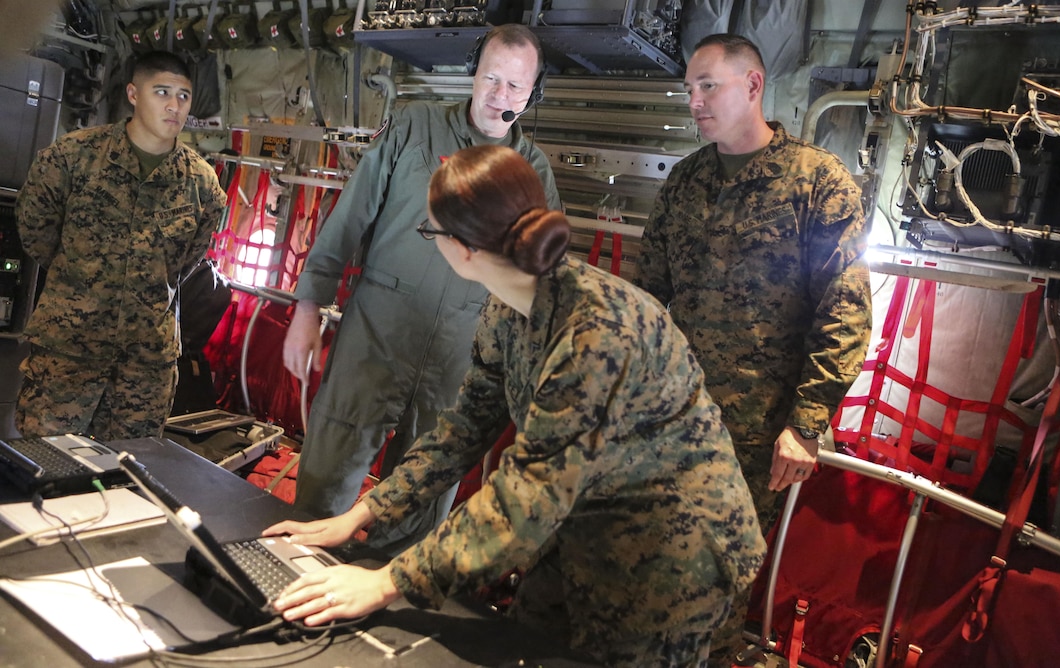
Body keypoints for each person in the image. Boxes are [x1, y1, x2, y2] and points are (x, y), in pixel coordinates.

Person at [264, 144, 766, 667]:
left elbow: (526, 498)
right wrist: (362, 514)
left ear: (463, 247)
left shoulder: (599, 333)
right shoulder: (509, 305)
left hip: (673, 558)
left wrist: (387, 582)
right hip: (581, 531)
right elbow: (463, 429)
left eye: (429, 231)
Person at [631, 33, 872, 660]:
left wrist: (808, 423)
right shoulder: (684, 182)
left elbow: (844, 310)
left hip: (756, 430)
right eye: (689, 89)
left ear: (754, 85)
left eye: (708, 85)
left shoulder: (819, 181)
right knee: (645, 561)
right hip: (672, 416)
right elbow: (649, 298)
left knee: (715, 579)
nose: (695, 101)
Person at [282, 24, 561, 549]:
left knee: (420, 501)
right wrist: (306, 307)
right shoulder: (415, 124)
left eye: (515, 87)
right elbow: (349, 218)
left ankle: (380, 606)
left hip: (459, 358)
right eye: (491, 78)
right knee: (326, 480)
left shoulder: (534, 172)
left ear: (533, 93)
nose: (500, 95)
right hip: (376, 335)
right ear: (473, 73)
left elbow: (536, 281)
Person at [15, 51, 226, 441]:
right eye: (161, 92)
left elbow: (186, 262)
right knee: (45, 468)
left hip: (143, 368)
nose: (173, 105)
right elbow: (35, 231)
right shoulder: (73, 157)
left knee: (127, 477)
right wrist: (81, 281)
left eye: (183, 96)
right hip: (69, 353)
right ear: (133, 94)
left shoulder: (202, 184)